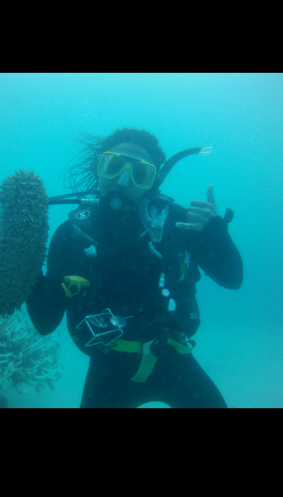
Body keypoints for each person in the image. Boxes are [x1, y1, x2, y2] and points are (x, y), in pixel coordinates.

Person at [26, 128, 243, 408]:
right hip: (108, 370)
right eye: (113, 166)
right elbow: (45, 323)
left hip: (172, 355)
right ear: (99, 169)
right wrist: (26, 264)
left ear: (153, 182)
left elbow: (232, 279)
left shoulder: (178, 224)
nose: (123, 180)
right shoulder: (72, 234)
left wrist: (216, 233)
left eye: (140, 173)